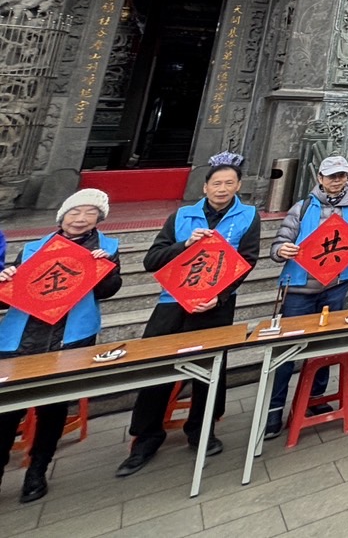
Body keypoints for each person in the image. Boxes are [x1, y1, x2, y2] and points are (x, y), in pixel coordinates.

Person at [118, 153, 261, 476]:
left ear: (238, 186)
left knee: (210, 370)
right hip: (172, 303)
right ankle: (145, 437)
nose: (222, 189)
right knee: (156, 369)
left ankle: (202, 429)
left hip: (215, 305)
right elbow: (152, 260)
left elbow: (247, 261)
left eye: (229, 183)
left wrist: (219, 296)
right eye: (216, 183)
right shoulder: (182, 216)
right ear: (205, 186)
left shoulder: (249, 216)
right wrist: (183, 245)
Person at [1, 191, 121, 504]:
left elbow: (108, 290)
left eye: (90, 213)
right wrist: (5, 278)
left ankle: (37, 469)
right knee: (6, 409)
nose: (81, 219)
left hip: (71, 337)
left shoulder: (107, 248)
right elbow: (10, 295)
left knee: (53, 407)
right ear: (62, 216)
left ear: (99, 218)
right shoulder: (33, 248)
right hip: (20, 338)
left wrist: (104, 268)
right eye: (75, 212)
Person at [264, 155, 348, 438]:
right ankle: (273, 410)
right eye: (331, 176)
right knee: (287, 350)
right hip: (300, 288)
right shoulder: (302, 208)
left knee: (325, 345)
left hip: (336, 285)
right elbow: (278, 245)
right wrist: (282, 250)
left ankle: (315, 398)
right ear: (320, 178)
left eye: (341, 175)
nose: (337, 181)